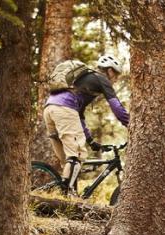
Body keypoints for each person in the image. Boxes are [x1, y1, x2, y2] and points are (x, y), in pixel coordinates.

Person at [42, 54, 131, 193]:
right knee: (76, 156)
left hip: (50, 109)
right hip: (65, 109)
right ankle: (67, 198)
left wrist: (90, 140)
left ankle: (67, 194)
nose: (116, 79)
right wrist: (131, 124)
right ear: (110, 71)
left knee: (68, 160)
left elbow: (79, 115)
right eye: (116, 75)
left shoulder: (84, 81)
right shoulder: (101, 78)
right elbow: (116, 106)